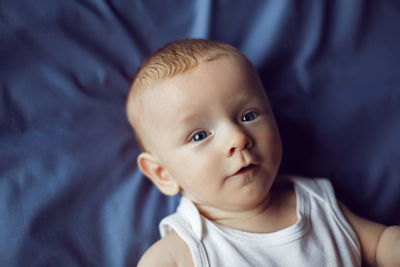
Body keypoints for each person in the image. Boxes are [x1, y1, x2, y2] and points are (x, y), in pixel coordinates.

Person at [126, 39, 400, 267]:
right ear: (163, 174)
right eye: (200, 135)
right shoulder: (178, 254)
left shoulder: (318, 202)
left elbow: (379, 245)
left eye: (248, 115)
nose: (238, 138)